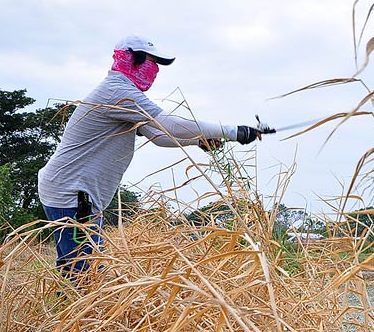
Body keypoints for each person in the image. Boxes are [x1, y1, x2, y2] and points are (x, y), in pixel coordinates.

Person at [37, 35, 262, 278]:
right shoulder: (117, 91)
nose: (154, 70)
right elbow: (170, 124)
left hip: (77, 194)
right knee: (85, 273)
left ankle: (66, 309)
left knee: (80, 267)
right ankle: (70, 313)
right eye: (152, 62)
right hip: (72, 195)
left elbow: (159, 135)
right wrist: (233, 132)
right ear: (135, 58)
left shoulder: (124, 94)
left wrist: (198, 141)